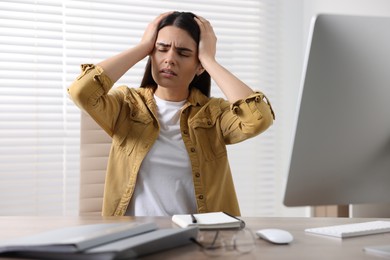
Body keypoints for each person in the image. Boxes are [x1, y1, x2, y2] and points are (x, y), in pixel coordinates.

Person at [68, 11, 275, 217]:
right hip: (135, 238)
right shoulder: (126, 104)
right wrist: (142, 48)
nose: (170, 59)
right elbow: (81, 91)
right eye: (162, 49)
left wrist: (209, 60)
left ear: (199, 66)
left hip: (199, 240)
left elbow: (257, 118)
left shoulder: (214, 114)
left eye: (183, 53)